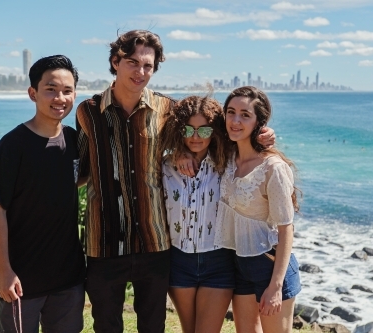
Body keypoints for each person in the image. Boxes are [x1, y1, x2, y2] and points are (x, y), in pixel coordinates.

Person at [76, 29, 275, 333]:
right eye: (132, 62)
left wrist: (262, 137)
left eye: (148, 66)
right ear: (116, 61)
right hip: (104, 240)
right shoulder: (88, 112)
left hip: (154, 242)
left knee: (153, 327)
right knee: (106, 325)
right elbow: (79, 167)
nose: (140, 72)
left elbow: (208, 125)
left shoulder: (166, 109)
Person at [0, 55, 86, 332]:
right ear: (33, 93)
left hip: (68, 277)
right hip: (22, 279)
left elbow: (78, 178)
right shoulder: (13, 145)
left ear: (75, 94)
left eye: (67, 91)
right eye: (50, 89)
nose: (59, 98)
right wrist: (4, 271)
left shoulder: (74, 141)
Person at [214, 86, 301, 333]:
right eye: (231, 112)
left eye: (245, 115)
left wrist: (275, 285)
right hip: (240, 264)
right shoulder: (227, 156)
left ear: (259, 122)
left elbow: (286, 228)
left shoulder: (273, 167)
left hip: (270, 265)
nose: (235, 120)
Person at [159, 95, 235, 333]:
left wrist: (266, 134)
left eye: (204, 131)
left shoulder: (229, 164)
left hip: (218, 260)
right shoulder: (165, 165)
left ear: (215, 131)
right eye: (188, 130)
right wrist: (177, 151)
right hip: (179, 261)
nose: (195, 137)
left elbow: (254, 143)